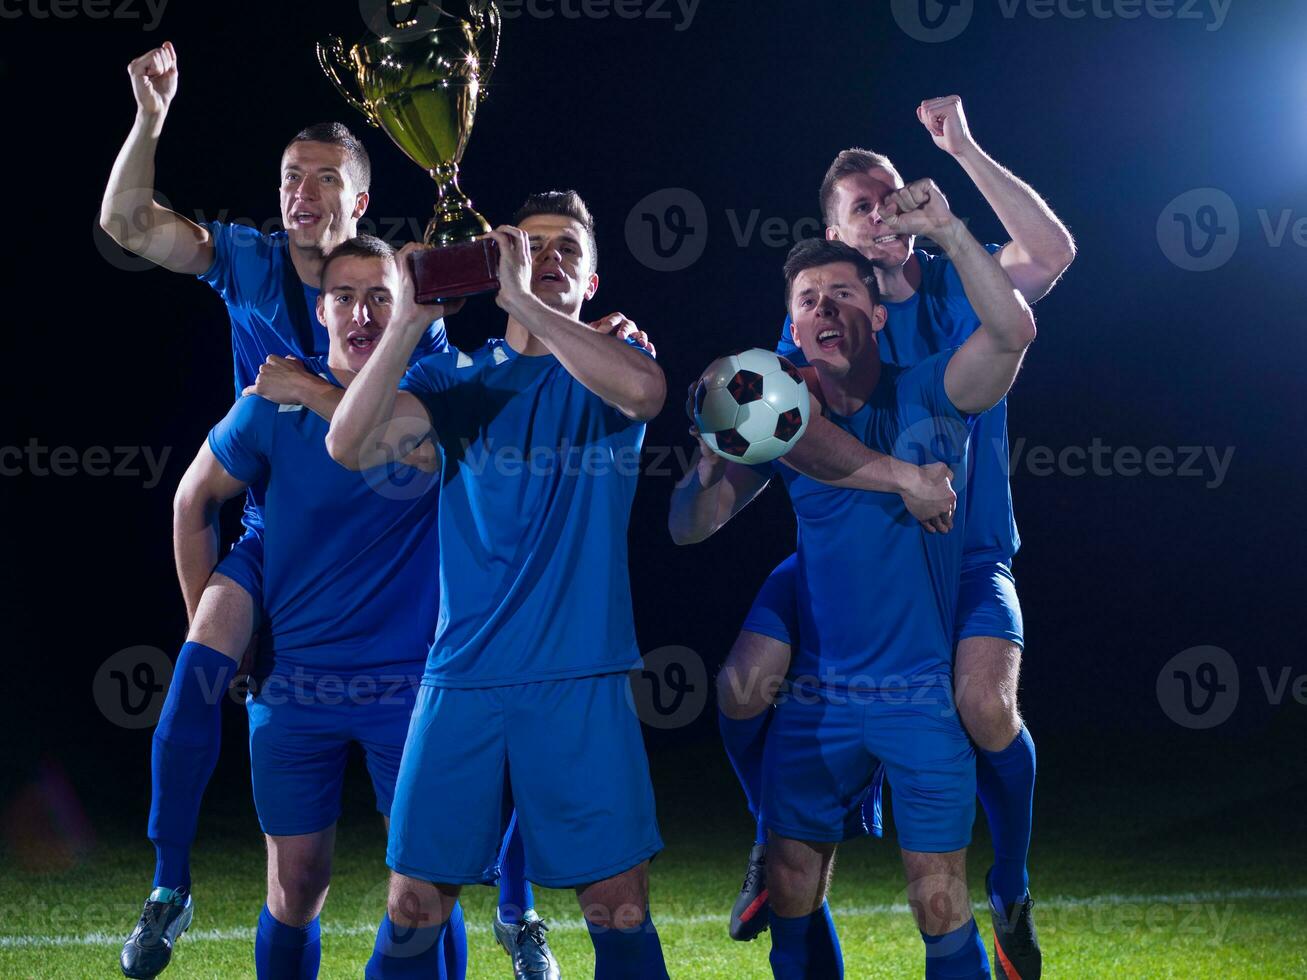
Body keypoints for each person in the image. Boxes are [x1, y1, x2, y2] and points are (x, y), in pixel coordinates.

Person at [718, 96, 1075, 978]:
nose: (881, 213)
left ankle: (1012, 884)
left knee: (984, 706)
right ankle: (772, 837)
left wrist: (961, 150)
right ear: (831, 231)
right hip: (846, 564)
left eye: (889, 197)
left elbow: (1054, 256)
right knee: (739, 684)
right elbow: (782, 426)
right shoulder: (819, 316)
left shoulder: (962, 281)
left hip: (966, 551)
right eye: (859, 207)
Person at [324, 191, 672, 980]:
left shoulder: (611, 370)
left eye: (566, 251)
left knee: (615, 907)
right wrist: (410, 317)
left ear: (591, 279)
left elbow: (649, 394)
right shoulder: (456, 383)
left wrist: (522, 300)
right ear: (498, 256)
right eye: (532, 245)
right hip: (463, 680)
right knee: (413, 907)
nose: (549, 258)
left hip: (579, 677)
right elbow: (349, 443)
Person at [164, 235, 468, 978]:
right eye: (344, 296)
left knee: (425, 895)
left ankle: (515, 917)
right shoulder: (269, 403)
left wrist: (313, 392)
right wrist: (214, 624)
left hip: (413, 687)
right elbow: (193, 499)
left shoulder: (439, 386)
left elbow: (396, 443)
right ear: (321, 309)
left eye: (380, 297)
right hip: (295, 684)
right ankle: (167, 881)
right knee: (296, 887)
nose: (361, 311)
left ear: (404, 313)